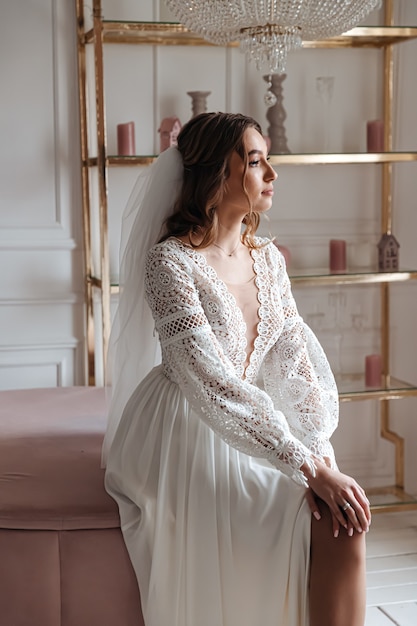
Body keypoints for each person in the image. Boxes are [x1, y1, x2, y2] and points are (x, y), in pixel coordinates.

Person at [103, 111, 371, 626]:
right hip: (186, 425)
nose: (272, 173)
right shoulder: (170, 264)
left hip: (257, 421)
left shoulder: (268, 260)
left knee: (347, 521)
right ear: (214, 175)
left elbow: (293, 359)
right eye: (254, 161)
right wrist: (306, 468)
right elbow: (210, 384)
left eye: (267, 159)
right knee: (320, 515)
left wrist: (320, 453)